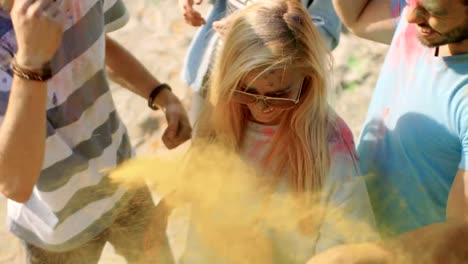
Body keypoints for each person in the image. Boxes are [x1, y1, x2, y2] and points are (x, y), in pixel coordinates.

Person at [180, 0, 378, 262]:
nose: (262, 107)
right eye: (247, 91)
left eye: (279, 95)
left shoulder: (329, 144)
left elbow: (347, 242)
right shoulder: (218, 122)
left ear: (308, 79)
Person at [0, 0, 191, 263]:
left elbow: (95, 39)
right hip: (55, 228)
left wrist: (161, 94)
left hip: (124, 179)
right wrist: (31, 62)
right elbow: (15, 183)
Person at [307, 0, 468, 262]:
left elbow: (462, 236)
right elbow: (358, 17)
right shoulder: (417, 23)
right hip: (358, 235)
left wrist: (364, 257)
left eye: (434, 11)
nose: (413, 16)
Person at [178, 0, 342, 125]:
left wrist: (259, 30)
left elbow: (325, 29)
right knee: (203, 152)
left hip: (271, 92)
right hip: (212, 73)